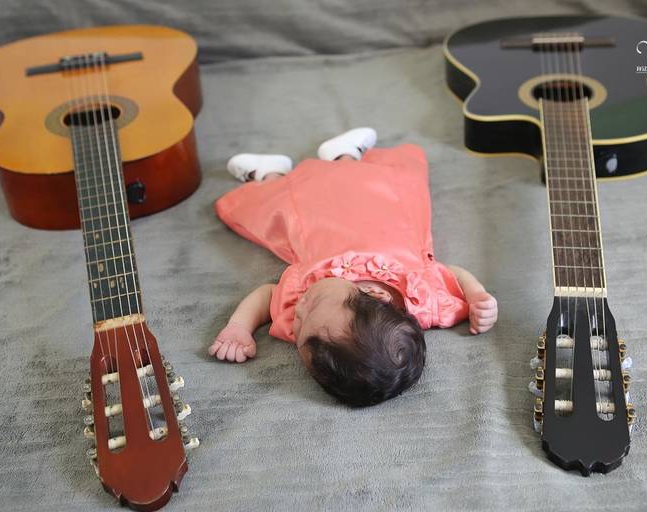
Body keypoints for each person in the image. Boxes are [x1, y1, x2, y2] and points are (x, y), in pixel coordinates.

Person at [211, 128, 497, 406]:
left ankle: (271, 176)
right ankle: (344, 155)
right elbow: (453, 274)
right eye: (312, 304)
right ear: (376, 293)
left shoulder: (308, 327)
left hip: (318, 230)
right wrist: (477, 296)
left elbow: (267, 295)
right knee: (369, 185)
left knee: (289, 207)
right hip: (383, 215)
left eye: (298, 327)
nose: (298, 310)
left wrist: (239, 327)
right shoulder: (426, 300)